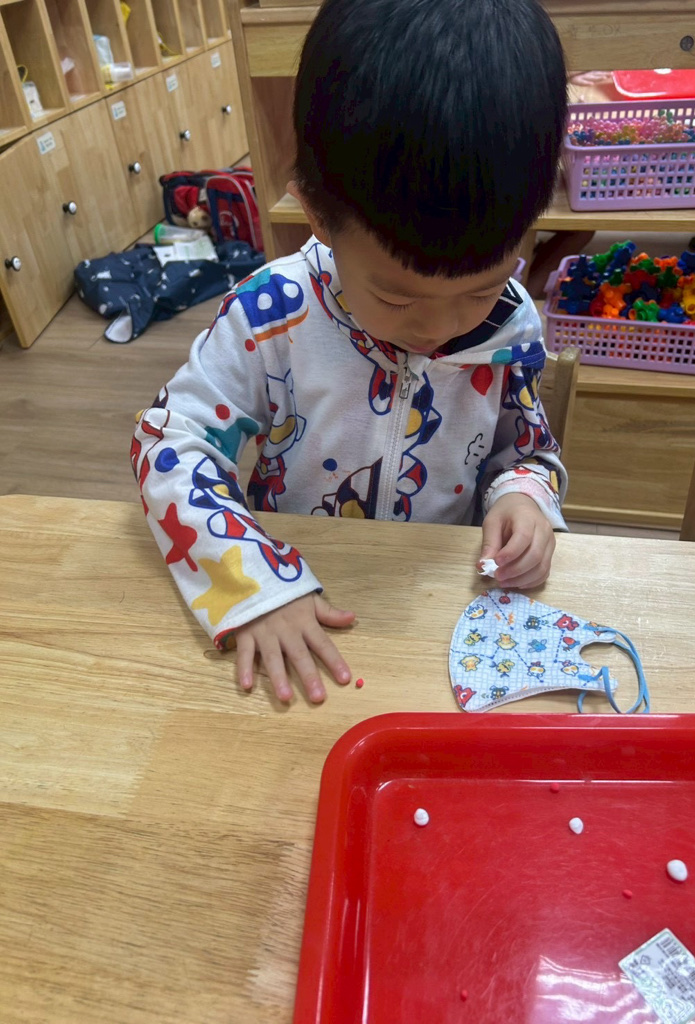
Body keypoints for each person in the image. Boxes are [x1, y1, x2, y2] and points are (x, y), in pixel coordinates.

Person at [131, 0, 569, 705]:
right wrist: (252, 582)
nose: (441, 326)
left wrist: (524, 496)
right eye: (396, 297)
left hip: (438, 615)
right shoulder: (271, 314)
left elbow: (526, 454)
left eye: (480, 289)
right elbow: (168, 442)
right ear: (316, 215)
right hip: (295, 594)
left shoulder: (511, 324)